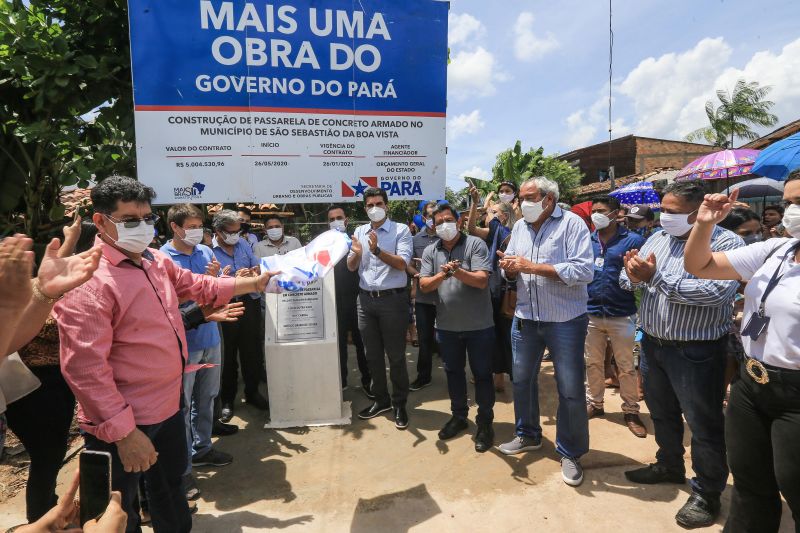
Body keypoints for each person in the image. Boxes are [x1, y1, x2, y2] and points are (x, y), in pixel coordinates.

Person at [55, 177, 276, 533]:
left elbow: (198, 286)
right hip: (121, 424)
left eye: (146, 219)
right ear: (100, 222)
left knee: (170, 491)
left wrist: (254, 283)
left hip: (168, 408)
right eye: (130, 220)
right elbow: (85, 370)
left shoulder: (154, 261)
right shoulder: (88, 280)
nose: (142, 227)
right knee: (115, 513)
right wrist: (126, 435)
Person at [620, 180, 743, 529]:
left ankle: (706, 491)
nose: (664, 218)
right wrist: (633, 275)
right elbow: (625, 278)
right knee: (662, 414)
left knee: (703, 425)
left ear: (697, 213)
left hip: (696, 351)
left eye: (672, 213)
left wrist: (655, 277)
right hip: (655, 344)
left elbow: (714, 295)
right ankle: (669, 464)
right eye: (662, 210)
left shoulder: (726, 243)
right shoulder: (657, 238)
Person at [684, 171, 800, 532]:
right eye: (790, 203)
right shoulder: (778, 250)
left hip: (796, 395)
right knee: (750, 485)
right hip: (753, 383)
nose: (792, 211)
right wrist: (704, 224)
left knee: (796, 488)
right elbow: (699, 265)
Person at [496, 176, 593, 488]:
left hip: (564, 320)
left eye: (529, 196)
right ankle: (528, 435)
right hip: (526, 317)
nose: (521, 202)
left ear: (549, 199)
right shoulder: (520, 227)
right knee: (521, 380)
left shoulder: (572, 225)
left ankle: (570, 452)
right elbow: (511, 264)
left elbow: (583, 271)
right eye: (520, 198)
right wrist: (508, 268)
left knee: (570, 388)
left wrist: (530, 267)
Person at [3, 219, 102, 524]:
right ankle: (41, 518)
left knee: (49, 455)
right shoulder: (31, 293)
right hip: (36, 386)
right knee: (46, 458)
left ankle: (47, 512)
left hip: (49, 383)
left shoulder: (42, 288)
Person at [160, 204, 235, 503]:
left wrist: (218, 280)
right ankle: (182, 469)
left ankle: (202, 448)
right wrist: (200, 287)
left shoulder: (205, 252)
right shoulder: (161, 259)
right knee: (179, 408)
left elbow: (214, 292)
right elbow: (165, 302)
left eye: (198, 225)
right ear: (175, 227)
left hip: (210, 337)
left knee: (207, 398)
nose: (196, 231)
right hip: (182, 345)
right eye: (190, 225)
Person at [419, 203, 496, 452]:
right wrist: (443, 275)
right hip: (447, 326)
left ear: (459, 220)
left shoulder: (475, 244)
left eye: (448, 220)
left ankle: (485, 422)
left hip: (479, 326)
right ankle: (459, 416)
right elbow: (424, 286)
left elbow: (482, 280)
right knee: (453, 373)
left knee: (482, 374)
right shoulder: (432, 250)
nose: (444, 225)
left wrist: (457, 271)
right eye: (439, 222)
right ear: (433, 225)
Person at [348, 187, 413, 429]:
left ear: (386, 206)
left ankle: (399, 403)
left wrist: (376, 250)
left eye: (378, 203)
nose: (374, 208)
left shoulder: (401, 230)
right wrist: (355, 255)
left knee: (396, 355)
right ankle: (382, 399)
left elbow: (402, 264)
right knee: (371, 355)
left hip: (392, 301)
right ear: (365, 208)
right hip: (365, 301)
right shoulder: (359, 231)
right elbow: (352, 266)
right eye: (369, 205)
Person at [584, 196, 648, 438]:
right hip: (590, 312)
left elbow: (642, 277)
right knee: (592, 362)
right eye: (594, 211)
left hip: (622, 313)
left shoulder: (634, 241)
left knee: (626, 367)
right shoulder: (587, 240)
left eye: (601, 210)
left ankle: (631, 410)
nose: (596, 215)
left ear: (616, 213)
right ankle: (595, 404)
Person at [211, 209, 270, 423]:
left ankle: (252, 392)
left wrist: (253, 272)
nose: (236, 235)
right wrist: (230, 279)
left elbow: (256, 266)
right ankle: (227, 400)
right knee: (228, 354)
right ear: (218, 231)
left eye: (238, 230)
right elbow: (206, 281)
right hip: (225, 307)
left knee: (251, 350)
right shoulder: (208, 251)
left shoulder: (244, 244)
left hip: (249, 302)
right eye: (231, 232)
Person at [466, 188, 516, 391]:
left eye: (491, 212)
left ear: (502, 216)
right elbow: (471, 229)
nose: (487, 216)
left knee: (505, 336)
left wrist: (492, 214)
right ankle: (497, 377)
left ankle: (509, 376)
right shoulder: (492, 233)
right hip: (491, 292)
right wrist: (475, 203)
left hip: (505, 293)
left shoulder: (508, 233)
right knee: (490, 335)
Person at [328, 205, 372, 395]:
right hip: (334, 302)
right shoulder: (323, 244)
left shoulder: (356, 240)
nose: (336, 221)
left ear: (346, 220)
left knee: (363, 343)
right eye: (332, 219)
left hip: (358, 299)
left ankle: (368, 382)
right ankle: (341, 381)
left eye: (339, 217)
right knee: (338, 346)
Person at [407, 201, 439, 391]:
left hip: (446, 297)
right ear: (424, 217)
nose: (433, 219)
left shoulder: (449, 238)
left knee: (451, 337)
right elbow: (408, 264)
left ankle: (453, 371)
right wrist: (416, 274)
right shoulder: (415, 240)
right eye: (430, 215)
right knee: (425, 337)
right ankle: (423, 375)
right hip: (424, 296)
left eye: (437, 214)